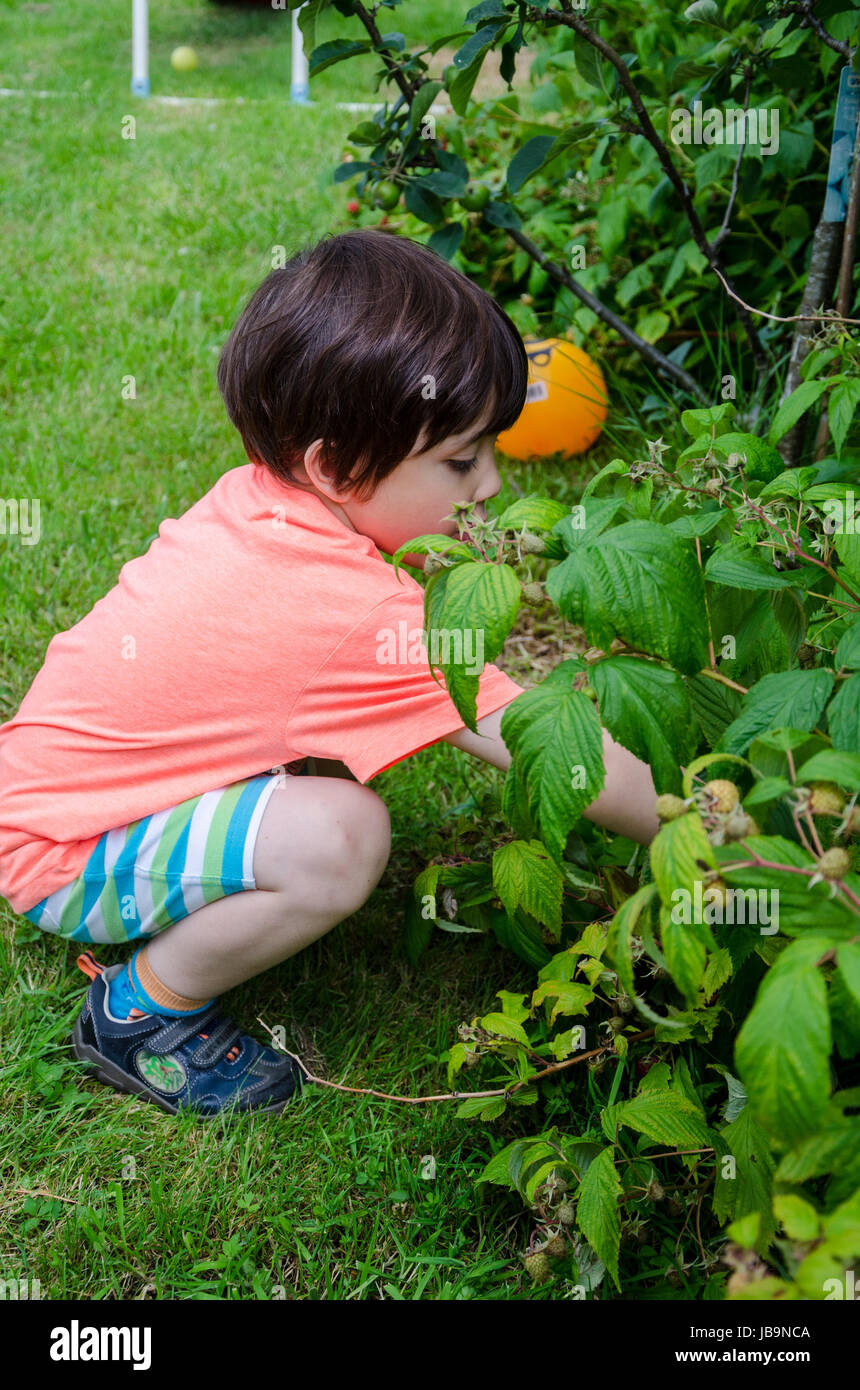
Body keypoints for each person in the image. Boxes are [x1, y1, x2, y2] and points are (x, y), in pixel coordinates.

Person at [0, 228, 658, 1120]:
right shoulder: (349, 617)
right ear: (336, 467)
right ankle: (141, 1011)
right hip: (61, 854)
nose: (491, 485)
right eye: (462, 460)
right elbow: (553, 747)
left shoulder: (265, 501)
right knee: (342, 837)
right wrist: (707, 832)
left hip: (50, 793)